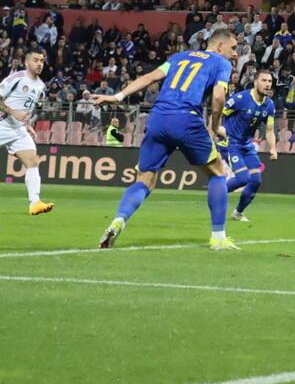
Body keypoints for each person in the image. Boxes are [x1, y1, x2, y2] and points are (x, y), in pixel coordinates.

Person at [89, 29, 239, 250]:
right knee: (218, 173)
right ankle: (218, 237)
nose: (235, 53)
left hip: (158, 118)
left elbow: (149, 78)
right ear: (219, 46)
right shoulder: (221, 63)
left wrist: (116, 97)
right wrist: (215, 126)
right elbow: (218, 96)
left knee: (144, 179)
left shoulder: (179, 57)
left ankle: (119, 219)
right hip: (186, 119)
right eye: (233, 48)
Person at [0, 50, 55, 215]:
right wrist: (13, 112)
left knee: (32, 161)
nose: (39, 64)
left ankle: (35, 203)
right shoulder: (16, 78)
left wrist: (26, 124)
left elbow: (26, 108)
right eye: (36, 60)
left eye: (42, 61)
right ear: (26, 62)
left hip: (18, 130)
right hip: (2, 124)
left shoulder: (40, 86)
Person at [221, 70, 279, 223]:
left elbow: (270, 130)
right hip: (231, 142)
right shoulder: (240, 98)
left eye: (269, 82)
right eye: (264, 80)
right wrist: (216, 130)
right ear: (255, 82)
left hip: (247, 145)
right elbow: (220, 113)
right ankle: (217, 193)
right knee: (243, 178)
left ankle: (238, 213)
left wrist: (272, 147)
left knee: (256, 181)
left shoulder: (269, 105)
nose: (267, 84)